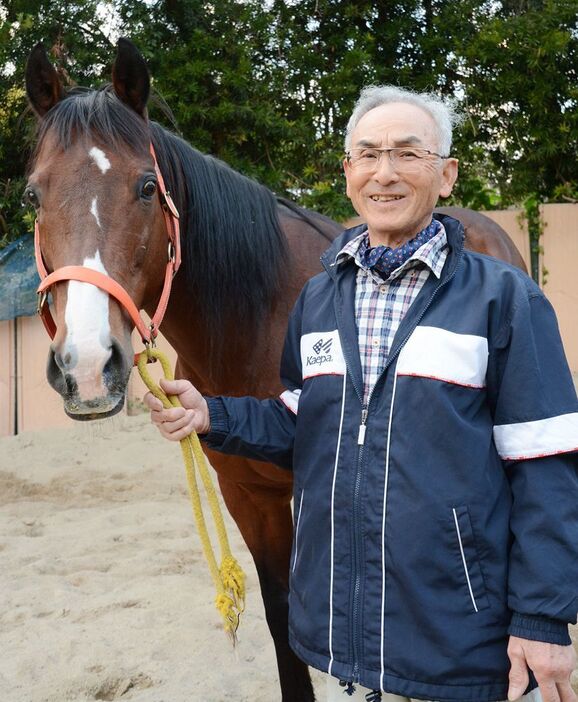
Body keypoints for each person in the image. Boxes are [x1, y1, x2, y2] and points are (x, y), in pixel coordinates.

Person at [144, 86, 578, 702]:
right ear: (347, 173)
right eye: (368, 154)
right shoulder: (319, 299)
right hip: (358, 641)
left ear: (446, 175)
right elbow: (306, 420)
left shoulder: (505, 299)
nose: (385, 172)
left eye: (408, 154)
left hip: (466, 641)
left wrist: (541, 620)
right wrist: (211, 412)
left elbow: (547, 463)